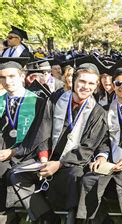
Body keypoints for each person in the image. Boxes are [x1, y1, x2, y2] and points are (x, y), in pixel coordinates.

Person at [9, 57, 110, 223]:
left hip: (70, 163)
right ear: (73, 80)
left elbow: (87, 147)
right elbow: (42, 131)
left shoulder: (98, 112)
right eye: (82, 81)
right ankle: (47, 217)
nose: (86, 87)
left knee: (75, 176)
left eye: (91, 84)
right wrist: (43, 158)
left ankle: (72, 218)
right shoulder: (56, 100)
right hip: (46, 158)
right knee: (16, 175)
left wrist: (59, 164)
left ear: (96, 85)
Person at [77, 58, 122, 223]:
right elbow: (101, 138)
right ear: (113, 85)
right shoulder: (103, 110)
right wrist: (102, 156)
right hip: (110, 160)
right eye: (118, 83)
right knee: (89, 179)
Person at [0, 57, 47, 222]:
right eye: (3, 77)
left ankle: (41, 215)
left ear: (22, 77)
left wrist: (14, 151)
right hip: (4, 153)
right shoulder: (0, 102)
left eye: (12, 76)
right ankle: (6, 214)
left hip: (29, 154)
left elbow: (40, 136)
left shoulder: (38, 102)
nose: (7, 81)